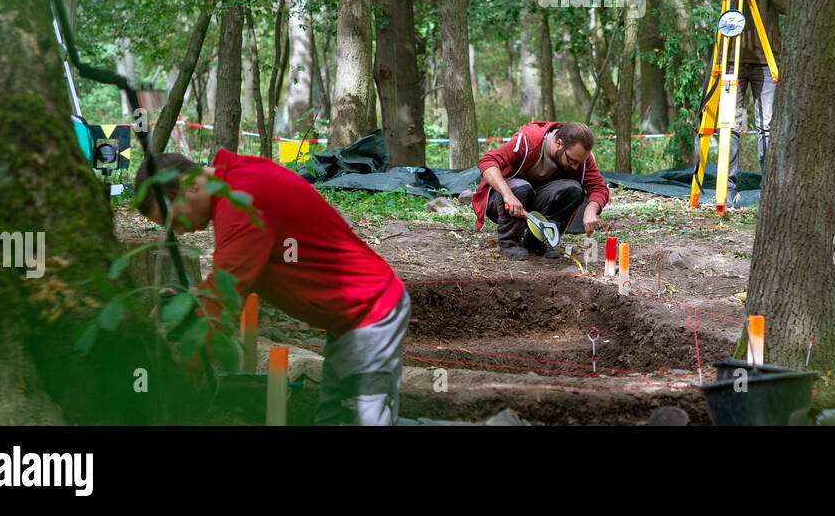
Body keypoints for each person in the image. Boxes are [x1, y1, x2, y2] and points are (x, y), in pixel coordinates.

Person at [134, 149, 409, 426]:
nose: (177, 231)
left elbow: (224, 300)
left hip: (370, 311)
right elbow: (229, 278)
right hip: (348, 316)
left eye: (172, 219)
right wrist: (191, 300)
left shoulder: (241, 203)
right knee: (336, 418)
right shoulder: (235, 182)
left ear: (190, 183)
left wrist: (183, 375)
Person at [693, 0, 788, 195]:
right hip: (731, 59)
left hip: (764, 60)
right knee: (729, 124)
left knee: (767, 127)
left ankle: (770, 190)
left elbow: (788, 3)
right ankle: (728, 187)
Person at [472, 121, 609, 260]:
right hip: (507, 201)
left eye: (579, 163)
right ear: (559, 144)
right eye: (572, 161)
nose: (575, 167)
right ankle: (510, 242)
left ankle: (540, 241)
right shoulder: (528, 141)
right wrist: (507, 195)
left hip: (537, 200)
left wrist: (592, 208)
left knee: (573, 190)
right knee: (522, 187)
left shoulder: (580, 156)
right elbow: (487, 161)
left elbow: (598, 186)